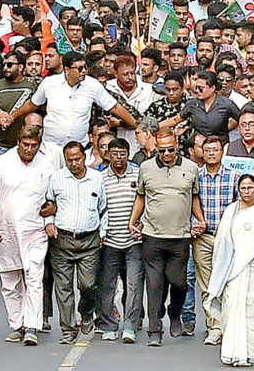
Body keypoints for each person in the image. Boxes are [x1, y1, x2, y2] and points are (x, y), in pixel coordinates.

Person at [129, 130, 206, 346]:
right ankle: (155, 331)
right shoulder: (146, 168)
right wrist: (132, 221)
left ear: (177, 146)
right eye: (161, 151)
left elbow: (194, 198)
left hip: (180, 236)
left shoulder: (191, 168)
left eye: (170, 150)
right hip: (153, 235)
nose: (166, 154)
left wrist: (200, 220)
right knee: (154, 285)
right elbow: (141, 197)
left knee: (179, 283)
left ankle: (174, 312)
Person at [0, 125, 55, 346]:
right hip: (5, 231)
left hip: (35, 230)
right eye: (26, 144)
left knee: (34, 277)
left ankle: (32, 326)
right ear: (18, 142)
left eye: (34, 146)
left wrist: (52, 209)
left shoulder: (48, 165)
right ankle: (17, 324)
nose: (29, 149)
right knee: (10, 282)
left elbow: (54, 197)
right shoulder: (2, 163)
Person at [205, 175, 254, 367]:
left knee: (253, 310)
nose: (247, 191)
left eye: (250, 188)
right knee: (231, 309)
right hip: (233, 268)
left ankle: (246, 354)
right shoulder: (231, 211)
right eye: (243, 188)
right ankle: (230, 353)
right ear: (238, 190)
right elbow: (223, 242)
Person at [0, 52, 137, 152]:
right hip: (51, 147)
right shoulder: (49, 83)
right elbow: (32, 104)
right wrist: (12, 116)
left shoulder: (92, 85)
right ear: (67, 70)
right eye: (79, 68)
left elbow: (115, 107)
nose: (84, 71)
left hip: (79, 147)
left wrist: (135, 124)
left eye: (85, 67)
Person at [45, 141, 107, 344]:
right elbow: (48, 205)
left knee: (88, 285)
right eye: (69, 160)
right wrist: (49, 223)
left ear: (84, 157)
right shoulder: (56, 178)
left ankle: (86, 311)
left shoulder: (96, 178)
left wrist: (103, 232)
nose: (74, 163)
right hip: (62, 239)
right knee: (63, 287)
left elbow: (103, 208)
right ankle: (68, 329)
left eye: (77, 159)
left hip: (89, 239)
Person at [94, 138, 143, 343]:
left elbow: (145, 200)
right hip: (109, 241)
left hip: (133, 240)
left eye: (122, 153)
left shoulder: (138, 173)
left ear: (128, 154)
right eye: (114, 153)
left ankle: (130, 327)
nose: (118, 158)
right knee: (107, 285)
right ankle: (109, 325)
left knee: (133, 285)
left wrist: (142, 225)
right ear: (107, 155)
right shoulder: (99, 177)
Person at [195, 135, 239, 345]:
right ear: (201, 153)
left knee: (229, 282)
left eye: (216, 149)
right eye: (208, 149)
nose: (211, 153)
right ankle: (214, 326)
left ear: (223, 152)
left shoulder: (234, 176)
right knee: (207, 285)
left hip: (228, 238)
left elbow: (242, 207)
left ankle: (230, 324)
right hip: (203, 237)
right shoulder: (195, 176)